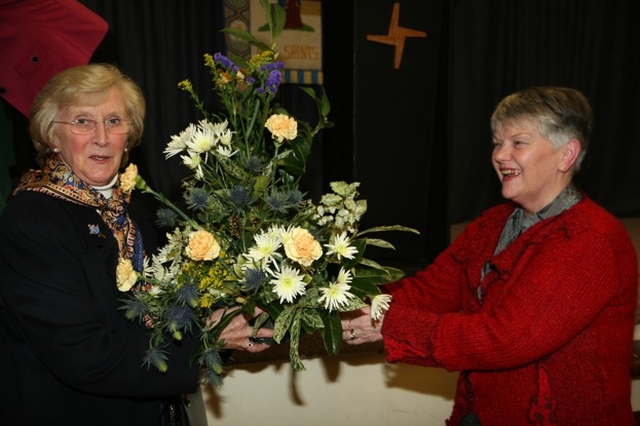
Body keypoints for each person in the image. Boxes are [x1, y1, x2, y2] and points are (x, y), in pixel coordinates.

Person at [342, 86, 638, 425]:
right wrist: (323, 306)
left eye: (518, 143)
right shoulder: (492, 224)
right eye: (498, 143)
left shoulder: (590, 240)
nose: (500, 155)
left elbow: (508, 338)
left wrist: (389, 324)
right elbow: (426, 292)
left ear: (567, 154)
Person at [0, 63, 272, 425]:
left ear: (129, 135)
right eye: (82, 121)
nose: (101, 137)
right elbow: (85, 358)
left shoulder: (136, 211)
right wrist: (208, 341)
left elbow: (168, 314)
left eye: (114, 121)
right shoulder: (31, 221)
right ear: (52, 135)